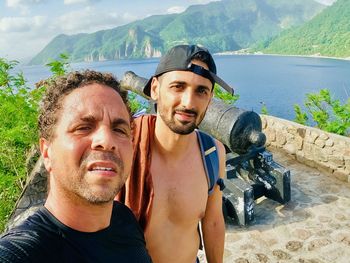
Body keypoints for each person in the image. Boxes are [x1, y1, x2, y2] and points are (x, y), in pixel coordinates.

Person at [0, 70, 152, 263]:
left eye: (119, 130)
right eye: (83, 127)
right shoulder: (21, 254)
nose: (106, 140)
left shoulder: (125, 220)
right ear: (47, 152)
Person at [117, 45, 234, 263]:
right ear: (155, 89)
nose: (189, 102)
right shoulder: (125, 144)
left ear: (210, 98)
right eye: (178, 86)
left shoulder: (212, 152)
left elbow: (213, 221)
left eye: (201, 91)